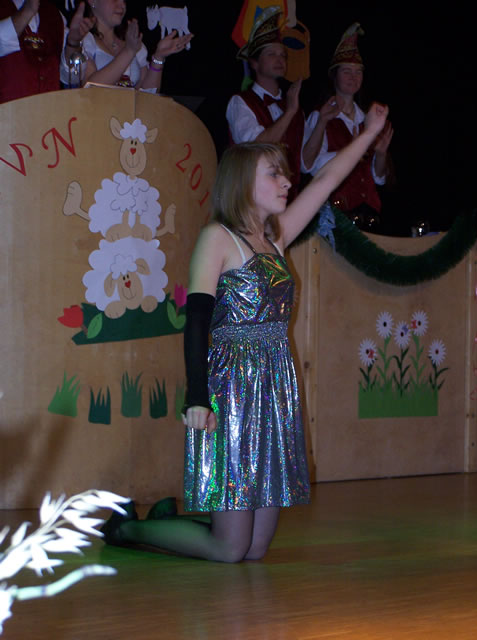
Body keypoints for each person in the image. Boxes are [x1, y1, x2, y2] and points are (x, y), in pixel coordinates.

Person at [101, 100, 389, 563]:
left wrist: (369, 133)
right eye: (274, 174)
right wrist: (198, 397)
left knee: (253, 550)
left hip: (274, 384)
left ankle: (161, 520)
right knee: (231, 549)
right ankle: (127, 528)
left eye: (285, 174)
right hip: (231, 388)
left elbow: (326, 180)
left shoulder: (276, 237)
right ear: (242, 183)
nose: (287, 181)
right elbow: (197, 321)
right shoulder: (218, 238)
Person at [303, 23, 394, 231]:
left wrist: (381, 154)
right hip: (336, 217)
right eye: (347, 71)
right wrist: (351, 149)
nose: (353, 77)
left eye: (358, 72)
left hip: (370, 217)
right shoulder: (320, 116)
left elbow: (379, 179)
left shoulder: (368, 120)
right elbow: (311, 166)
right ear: (334, 76)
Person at [226, 5, 311, 199]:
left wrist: (321, 121)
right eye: (271, 54)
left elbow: (306, 163)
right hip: (252, 202)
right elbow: (256, 149)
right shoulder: (240, 102)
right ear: (254, 63)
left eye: (283, 55)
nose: (279, 60)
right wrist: (290, 112)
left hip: (289, 202)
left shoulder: (293, 106)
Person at [80, 0, 192, 92]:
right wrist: (128, 51)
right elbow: (89, 89)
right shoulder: (83, 40)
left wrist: (158, 58)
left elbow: (147, 95)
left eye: (124, 0)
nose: (122, 4)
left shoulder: (133, 42)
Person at [0, 0, 94, 104]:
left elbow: (73, 77)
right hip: (7, 112)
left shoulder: (53, 14)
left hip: (49, 111)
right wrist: (28, 11)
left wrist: (73, 43)